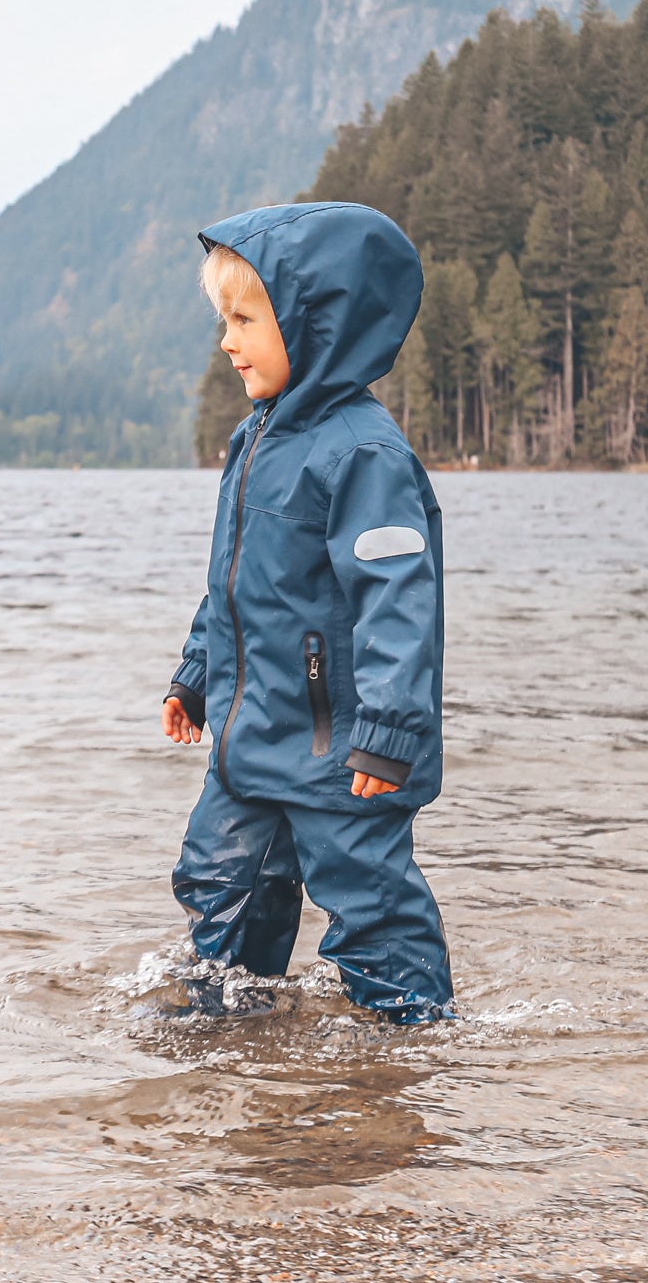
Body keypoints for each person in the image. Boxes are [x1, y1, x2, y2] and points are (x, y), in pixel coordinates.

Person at [159, 201, 455, 1025]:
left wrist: (391, 732)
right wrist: (196, 673)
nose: (228, 341)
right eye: (225, 320)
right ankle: (219, 1031)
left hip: (339, 747)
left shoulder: (362, 453)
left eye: (246, 319)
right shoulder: (254, 442)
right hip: (250, 738)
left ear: (315, 323)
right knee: (217, 884)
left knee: (370, 909)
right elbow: (233, 584)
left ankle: (415, 1041)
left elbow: (400, 603)